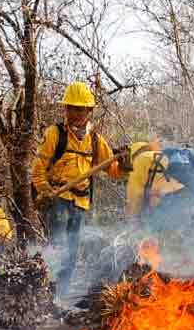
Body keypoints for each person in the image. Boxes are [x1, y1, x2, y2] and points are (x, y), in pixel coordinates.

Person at [31, 81, 126, 295]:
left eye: (79, 109)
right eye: (70, 108)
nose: (74, 113)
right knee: (59, 246)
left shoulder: (95, 140)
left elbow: (113, 170)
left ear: (89, 111)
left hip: (81, 202)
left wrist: (125, 165)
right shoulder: (55, 134)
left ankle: (60, 294)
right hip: (58, 198)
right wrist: (45, 191)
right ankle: (48, 291)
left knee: (72, 252)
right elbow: (37, 171)